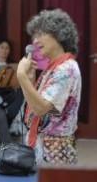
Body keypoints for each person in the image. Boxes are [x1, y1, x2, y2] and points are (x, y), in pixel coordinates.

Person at [17, 9, 81, 164]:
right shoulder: (54, 66)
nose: (35, 41)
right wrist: (31, 80)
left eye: (41, 35)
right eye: (34, 36)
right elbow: (38, 102)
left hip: (54, 151)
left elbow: (41, 108)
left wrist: (21, 75)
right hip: (43, 145)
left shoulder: (65, 69)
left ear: (58, 34)